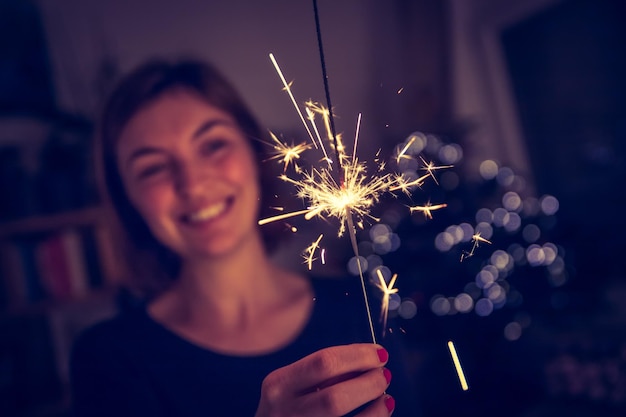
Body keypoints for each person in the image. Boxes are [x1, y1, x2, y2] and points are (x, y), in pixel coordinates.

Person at [70, 58, 417, 417]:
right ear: (127, 200)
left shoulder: (361, 308)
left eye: (213, 145)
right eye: (153, 168)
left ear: (255, 154)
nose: (193, 183)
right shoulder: (108, 359)